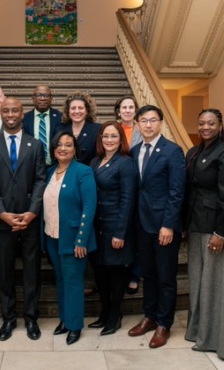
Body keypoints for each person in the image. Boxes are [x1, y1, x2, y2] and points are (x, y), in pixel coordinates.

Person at [0, 97, 46, 342]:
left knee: (32, 271)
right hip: (3, 220)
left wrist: (32, 211)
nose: (10, 114)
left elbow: (40, 180)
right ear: (1, 113)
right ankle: (8, 318)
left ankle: (31, 318)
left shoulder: (35, 145)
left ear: (22, 113)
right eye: (6, 110)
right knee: (5, 271)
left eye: (15, 110)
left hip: (30, 218)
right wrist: (2, 213)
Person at [183, 108, 224, 361]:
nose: (205, 127)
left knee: (215, 285)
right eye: (201, 123)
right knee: (198, 283)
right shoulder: (193, 152)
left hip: (215, 228)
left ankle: (216, 341)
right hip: (195, 225)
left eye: (210, 123)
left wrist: (221, 232)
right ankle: (198, 331)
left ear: (220, 125)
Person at [127, 105, 185, 349]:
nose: (148, 125)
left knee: (165, 276)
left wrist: (168, 225)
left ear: (161, 123)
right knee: (148, 274)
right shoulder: (134, 151)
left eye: (152, 120)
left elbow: (177, 191)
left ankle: (164, 323)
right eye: (143, 120)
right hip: (141, 224)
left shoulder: (172, 151)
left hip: (163, 226)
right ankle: (149, 316)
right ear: (137, 124)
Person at [42, 131, 96, 345]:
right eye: (59, 144)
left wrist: (81, 240)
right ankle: (64, 319)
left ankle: (74, 325)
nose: (63, 148)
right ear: (53, 149)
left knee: (73, 282)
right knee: (60, 279)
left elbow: (89, 207)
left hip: (73, 239)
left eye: (68, 144)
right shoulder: (49, 172)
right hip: (52, 236)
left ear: (75, 150)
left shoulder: (83, 171)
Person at [88, 121, 137, 336]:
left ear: (120, 139)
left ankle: (115, 314)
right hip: (96, 226)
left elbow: (127, 199)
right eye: (105, 136)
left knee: (116, 272)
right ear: (100, 139)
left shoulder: (125, 163)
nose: (109, 140)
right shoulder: (94, 161)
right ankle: (105, 312)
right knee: (100, 272)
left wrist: (120, 233)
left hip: (115, 226)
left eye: (113, 136)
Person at [114, 95, 142, 294]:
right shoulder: (112, 129)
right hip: (117, 186)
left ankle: (134, 275)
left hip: (139, 186)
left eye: (131, 107)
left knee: (136, 233)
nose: (127, 111)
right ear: (118, 111)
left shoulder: (142, 129)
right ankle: (120, 273)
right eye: (124, 107)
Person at [56, 91, 101, 166]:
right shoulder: (60, 129)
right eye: (73, 108)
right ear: (68, 111)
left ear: (87, 111)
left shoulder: (97, 129)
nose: (77, 111)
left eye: (80, 108)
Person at [22, 85, 62, 166]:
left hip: (55, 166)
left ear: (51, 98)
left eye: (46, 95)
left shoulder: (60, 117)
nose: (42, 98)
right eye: (38, 95)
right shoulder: (24, 119)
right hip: (31, 167)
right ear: (32, 98)